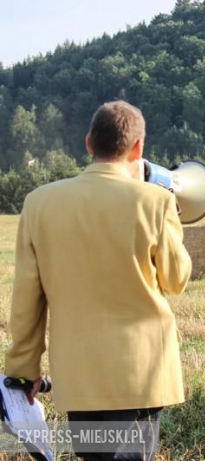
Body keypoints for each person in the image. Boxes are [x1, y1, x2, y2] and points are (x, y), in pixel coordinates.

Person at [4, 101, 192, 460]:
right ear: (138, 149)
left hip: (79, 377)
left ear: (89, 143)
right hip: (142, 372)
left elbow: (27, 302)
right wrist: (171, 219)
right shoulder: (156, 201)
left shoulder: (38, 203)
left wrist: (23, 370)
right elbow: (176, 279)